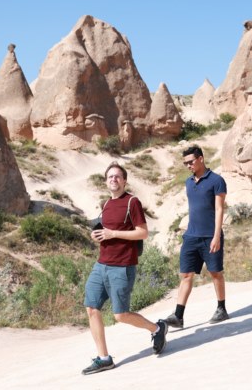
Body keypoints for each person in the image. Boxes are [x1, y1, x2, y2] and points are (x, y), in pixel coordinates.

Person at [82, 162, 168, 375]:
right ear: (105, 181)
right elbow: (104, 229)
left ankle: (157, 329)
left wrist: (113, 234)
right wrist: (97, 235)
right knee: (91, 308)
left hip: (122, 266)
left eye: (118, 176)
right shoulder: (106, 204)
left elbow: (142, 233)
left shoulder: (132, 202)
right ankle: (104, 358)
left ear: (124, 180)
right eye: (110, 177)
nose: (114, 179)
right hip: (101, 264)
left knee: (120, 315)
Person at [165, 145, 229, 329]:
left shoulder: (217, 181)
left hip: (210, 235)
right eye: (185, 163)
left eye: (190, 162)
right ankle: (178, 316)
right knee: (186, 274)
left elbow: (219, 209)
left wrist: (216, 235)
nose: (188, 166)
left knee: (215, 273)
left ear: (201, 158)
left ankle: (221, 308)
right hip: (191, 236)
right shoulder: (188, 182)